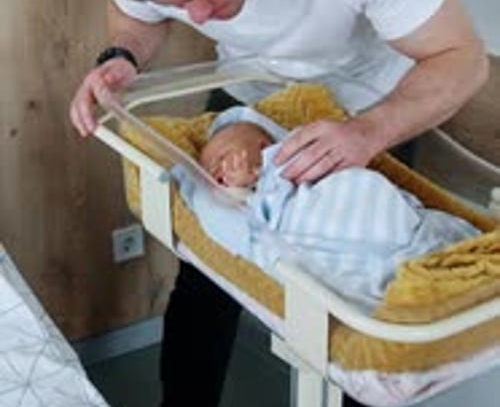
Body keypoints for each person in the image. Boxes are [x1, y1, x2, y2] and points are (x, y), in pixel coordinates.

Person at [70, 0, 487, 407]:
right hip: (249, 98)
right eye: (182, 6)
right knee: (204, 277)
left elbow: (461, 60)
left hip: (368, 108)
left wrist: (366, 132)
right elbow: (135, 16)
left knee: (357, 297)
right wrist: (122, 57)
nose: (200, 20)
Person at [180, 105, 479, 310]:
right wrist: (240, 190)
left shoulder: (287, 161)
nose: (217, 169)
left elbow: (333, 174)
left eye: (224, 156)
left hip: (362, 201)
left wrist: (262, 174)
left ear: (262, 146)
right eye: (211, 171)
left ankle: (421, 252)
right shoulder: (251, 196)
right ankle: (409, 269)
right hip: (333, 237)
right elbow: (249, 221)